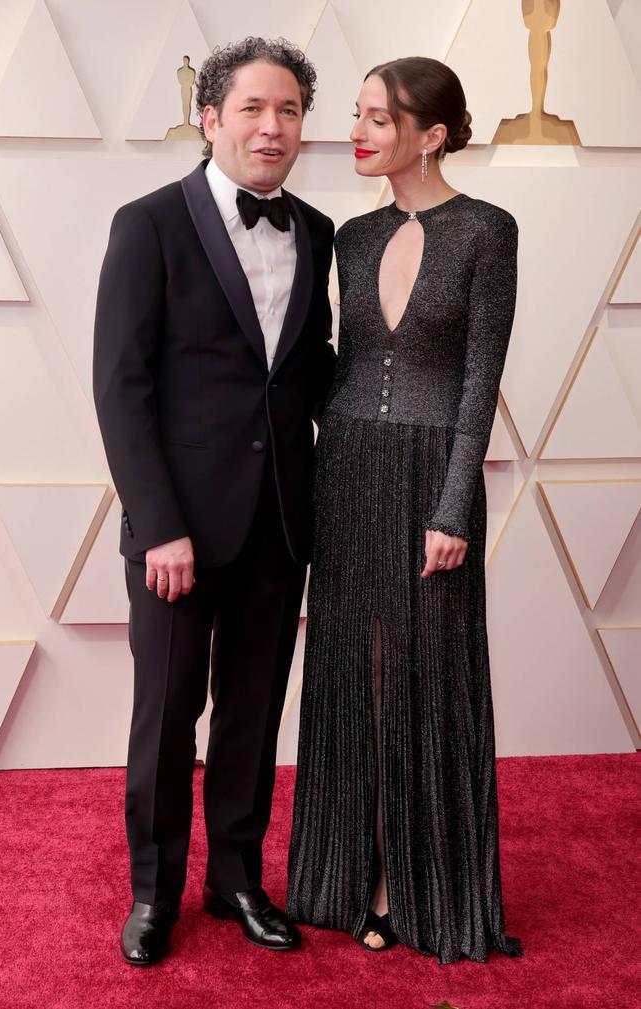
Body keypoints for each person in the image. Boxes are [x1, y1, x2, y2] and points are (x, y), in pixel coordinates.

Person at [93, 37, 336, 966]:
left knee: (253, 711)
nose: (271, 128)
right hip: (178, 532)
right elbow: (122, 387)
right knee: (165, 718)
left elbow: (305, 375)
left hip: (280, 521)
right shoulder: (148, 223)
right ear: (210, 118)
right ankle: (154, 892)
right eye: (252, 110)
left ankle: (236, 877)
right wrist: (159, 525)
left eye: (288, 112)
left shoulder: (314, 232)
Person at [286, 56, 524, 964]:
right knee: (352, 667)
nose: (357, 131)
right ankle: (347, 876)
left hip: (433, 469)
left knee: (429, 673)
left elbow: (479, 380)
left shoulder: (487, 232)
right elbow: (335, 366)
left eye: (378, 119)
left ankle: (430, 886)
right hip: (346, 465)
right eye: (357, 115)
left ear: (430, 134)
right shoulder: (350, 233)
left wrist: (455, 508)